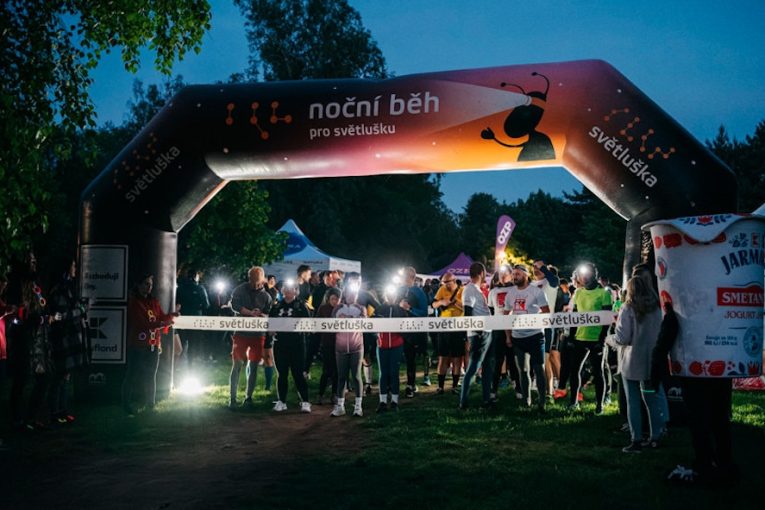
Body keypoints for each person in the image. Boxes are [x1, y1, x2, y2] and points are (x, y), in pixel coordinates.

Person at [606, 276, 668, 453]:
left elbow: (622, 338)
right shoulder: (658, 308)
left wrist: (609, 339)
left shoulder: (628, 308)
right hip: (652, 359)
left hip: (632, 361)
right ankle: (655, 437)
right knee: (651, 399)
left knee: (632, 401)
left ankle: (636, 440)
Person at [122, 274, 179, 415]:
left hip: (153, 344)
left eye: (151, 284)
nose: (149, 287)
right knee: (132, 374)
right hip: (138, 345)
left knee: (151, 374)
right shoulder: (134, 302)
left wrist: (172, 315)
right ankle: (126, 404)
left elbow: (161, 316)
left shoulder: (153, 301)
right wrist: (163, 323)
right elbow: (142, 323)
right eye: (146, 284)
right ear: (138, 285)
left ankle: (150, 405)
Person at [504, 264, 550, 411]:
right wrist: (508, 336)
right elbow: (505, 316)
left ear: (526, 275)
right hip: (518, 337)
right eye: (513, 274)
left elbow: (546, 312)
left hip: (535, 336)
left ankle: (542, 402)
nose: (514, 277)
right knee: (523, 371)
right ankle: (526, 400)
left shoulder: (536, 292)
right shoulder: (510, 293)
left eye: (517, 274)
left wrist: (533, 320)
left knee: (538, 369)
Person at [47, 259, 88, 424]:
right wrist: (82, 309)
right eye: (73, 265)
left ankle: (62, 411)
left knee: (65, 376)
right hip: (62, 339)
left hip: (68, 339)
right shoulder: (59, 290)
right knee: (59, 377)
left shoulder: (68, 288)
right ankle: (55, 413)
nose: (75, 269)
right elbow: (62, 316)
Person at [568, 262, 612, 413]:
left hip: (596, 339)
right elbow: (574, 316)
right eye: (582, 275)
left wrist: (602, 339)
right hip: (580, 337)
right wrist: (571, 337)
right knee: (574, 370)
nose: (584, 277)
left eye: (587, 274)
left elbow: (607, 318)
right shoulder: (578, 293)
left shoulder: (604, 293)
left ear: (594, 275)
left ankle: (599, 405)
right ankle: (573, 402)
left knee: (598, 371)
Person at [228, 266, 273, 409]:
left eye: (258, 283)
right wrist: (250, 313)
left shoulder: (267, 296)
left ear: (263, 280)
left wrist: (261, 314)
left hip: (258, 335)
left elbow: (269, 313)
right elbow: (234, 305)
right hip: (241, 333)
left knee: (253, 366)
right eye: (253, 282)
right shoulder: (240, 290)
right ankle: (232, 398)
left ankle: (248, 398)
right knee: (237, 365)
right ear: (249, 279)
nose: (255, 285)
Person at [269, 281, 311, 413]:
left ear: (295, 291)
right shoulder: (276, 306)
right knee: (282, 374)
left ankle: (305, 402)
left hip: (297, 344)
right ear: (282, 290)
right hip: (280, 344)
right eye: (285, 288)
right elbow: (270, 324)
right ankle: (281, 401)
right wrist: (270, 331)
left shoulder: (301, 306)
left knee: (298, 374)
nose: (288, 291)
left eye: (291, 288)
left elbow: (308, 324)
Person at [459, 262, 494, 410]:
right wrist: (474, 332)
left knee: (487, 366)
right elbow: (467, 312)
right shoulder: (470, 289)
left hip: (486, 331)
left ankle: (486, 399)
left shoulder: (476, 289)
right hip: (479, 333)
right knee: (473, 367)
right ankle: (463, 402)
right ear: (481, 273)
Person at [331, 280, 367, 417]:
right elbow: (330, 325)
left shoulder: (361, 308)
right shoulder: (337, 308)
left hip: (356, 346)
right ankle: (340, 406)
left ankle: (358, 407)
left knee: (356, 376)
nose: (352, 296)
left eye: (354, 294)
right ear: (345, 294)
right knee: (341, 377)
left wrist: (349, 318)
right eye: (350, 293)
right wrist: (339, 320)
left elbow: (365, 323)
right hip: (340, 347)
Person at [375, 285, 407, 412]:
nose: (391, 297)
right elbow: (371, 324)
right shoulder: (379, 309)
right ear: (385, 296)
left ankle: (394, 401)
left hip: (396, 346)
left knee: (394, 373)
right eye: (389, 295)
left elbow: (406, 326)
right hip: (382, 346)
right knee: (383, 373)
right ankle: (382, 402)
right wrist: (376, 337)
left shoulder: (400, 310)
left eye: (393, 295)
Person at [432, 272, 464, 395]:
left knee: (457, 358)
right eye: (443, 283)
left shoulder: (462, 290)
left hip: (458, 327)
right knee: (443, 357)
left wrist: (454, 301)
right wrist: (441, 302)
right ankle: (440, 386)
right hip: (444, 327)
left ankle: (454, 386)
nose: (445, 285)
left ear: (454, 281)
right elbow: (433, 304)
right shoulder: (442, 290)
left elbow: (466, 308)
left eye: (447, 282)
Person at [399, 266, 428, 398]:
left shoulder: (419, 292)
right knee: (397, 358)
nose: (401, 278)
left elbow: (424, 313)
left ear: (411, 277)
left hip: (413, 331)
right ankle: (390, 385)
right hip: (398, 329)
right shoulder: (398, 290)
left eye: (403, 275)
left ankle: (410, 385)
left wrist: (410, 309)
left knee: (411, 358)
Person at [175, 267, 210, 367]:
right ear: (195, 276)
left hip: (181, 319)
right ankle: (190, 365)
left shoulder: (180, 288)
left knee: (181, 342)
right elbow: (206, 305)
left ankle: (178, 365)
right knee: (193, 344)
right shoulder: (200, 288)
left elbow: (176, 302)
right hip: (195, 319)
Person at [316, 288, 341, 404]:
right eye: (332, 299)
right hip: (326, 343)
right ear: (328, 299)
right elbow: (317, 323)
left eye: (337, 299)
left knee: (336, 370)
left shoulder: (341, 309)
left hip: (338, 343)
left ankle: (334, 394)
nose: (335, 301)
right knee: (326, 370)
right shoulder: (323, 309)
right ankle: (320, 394)